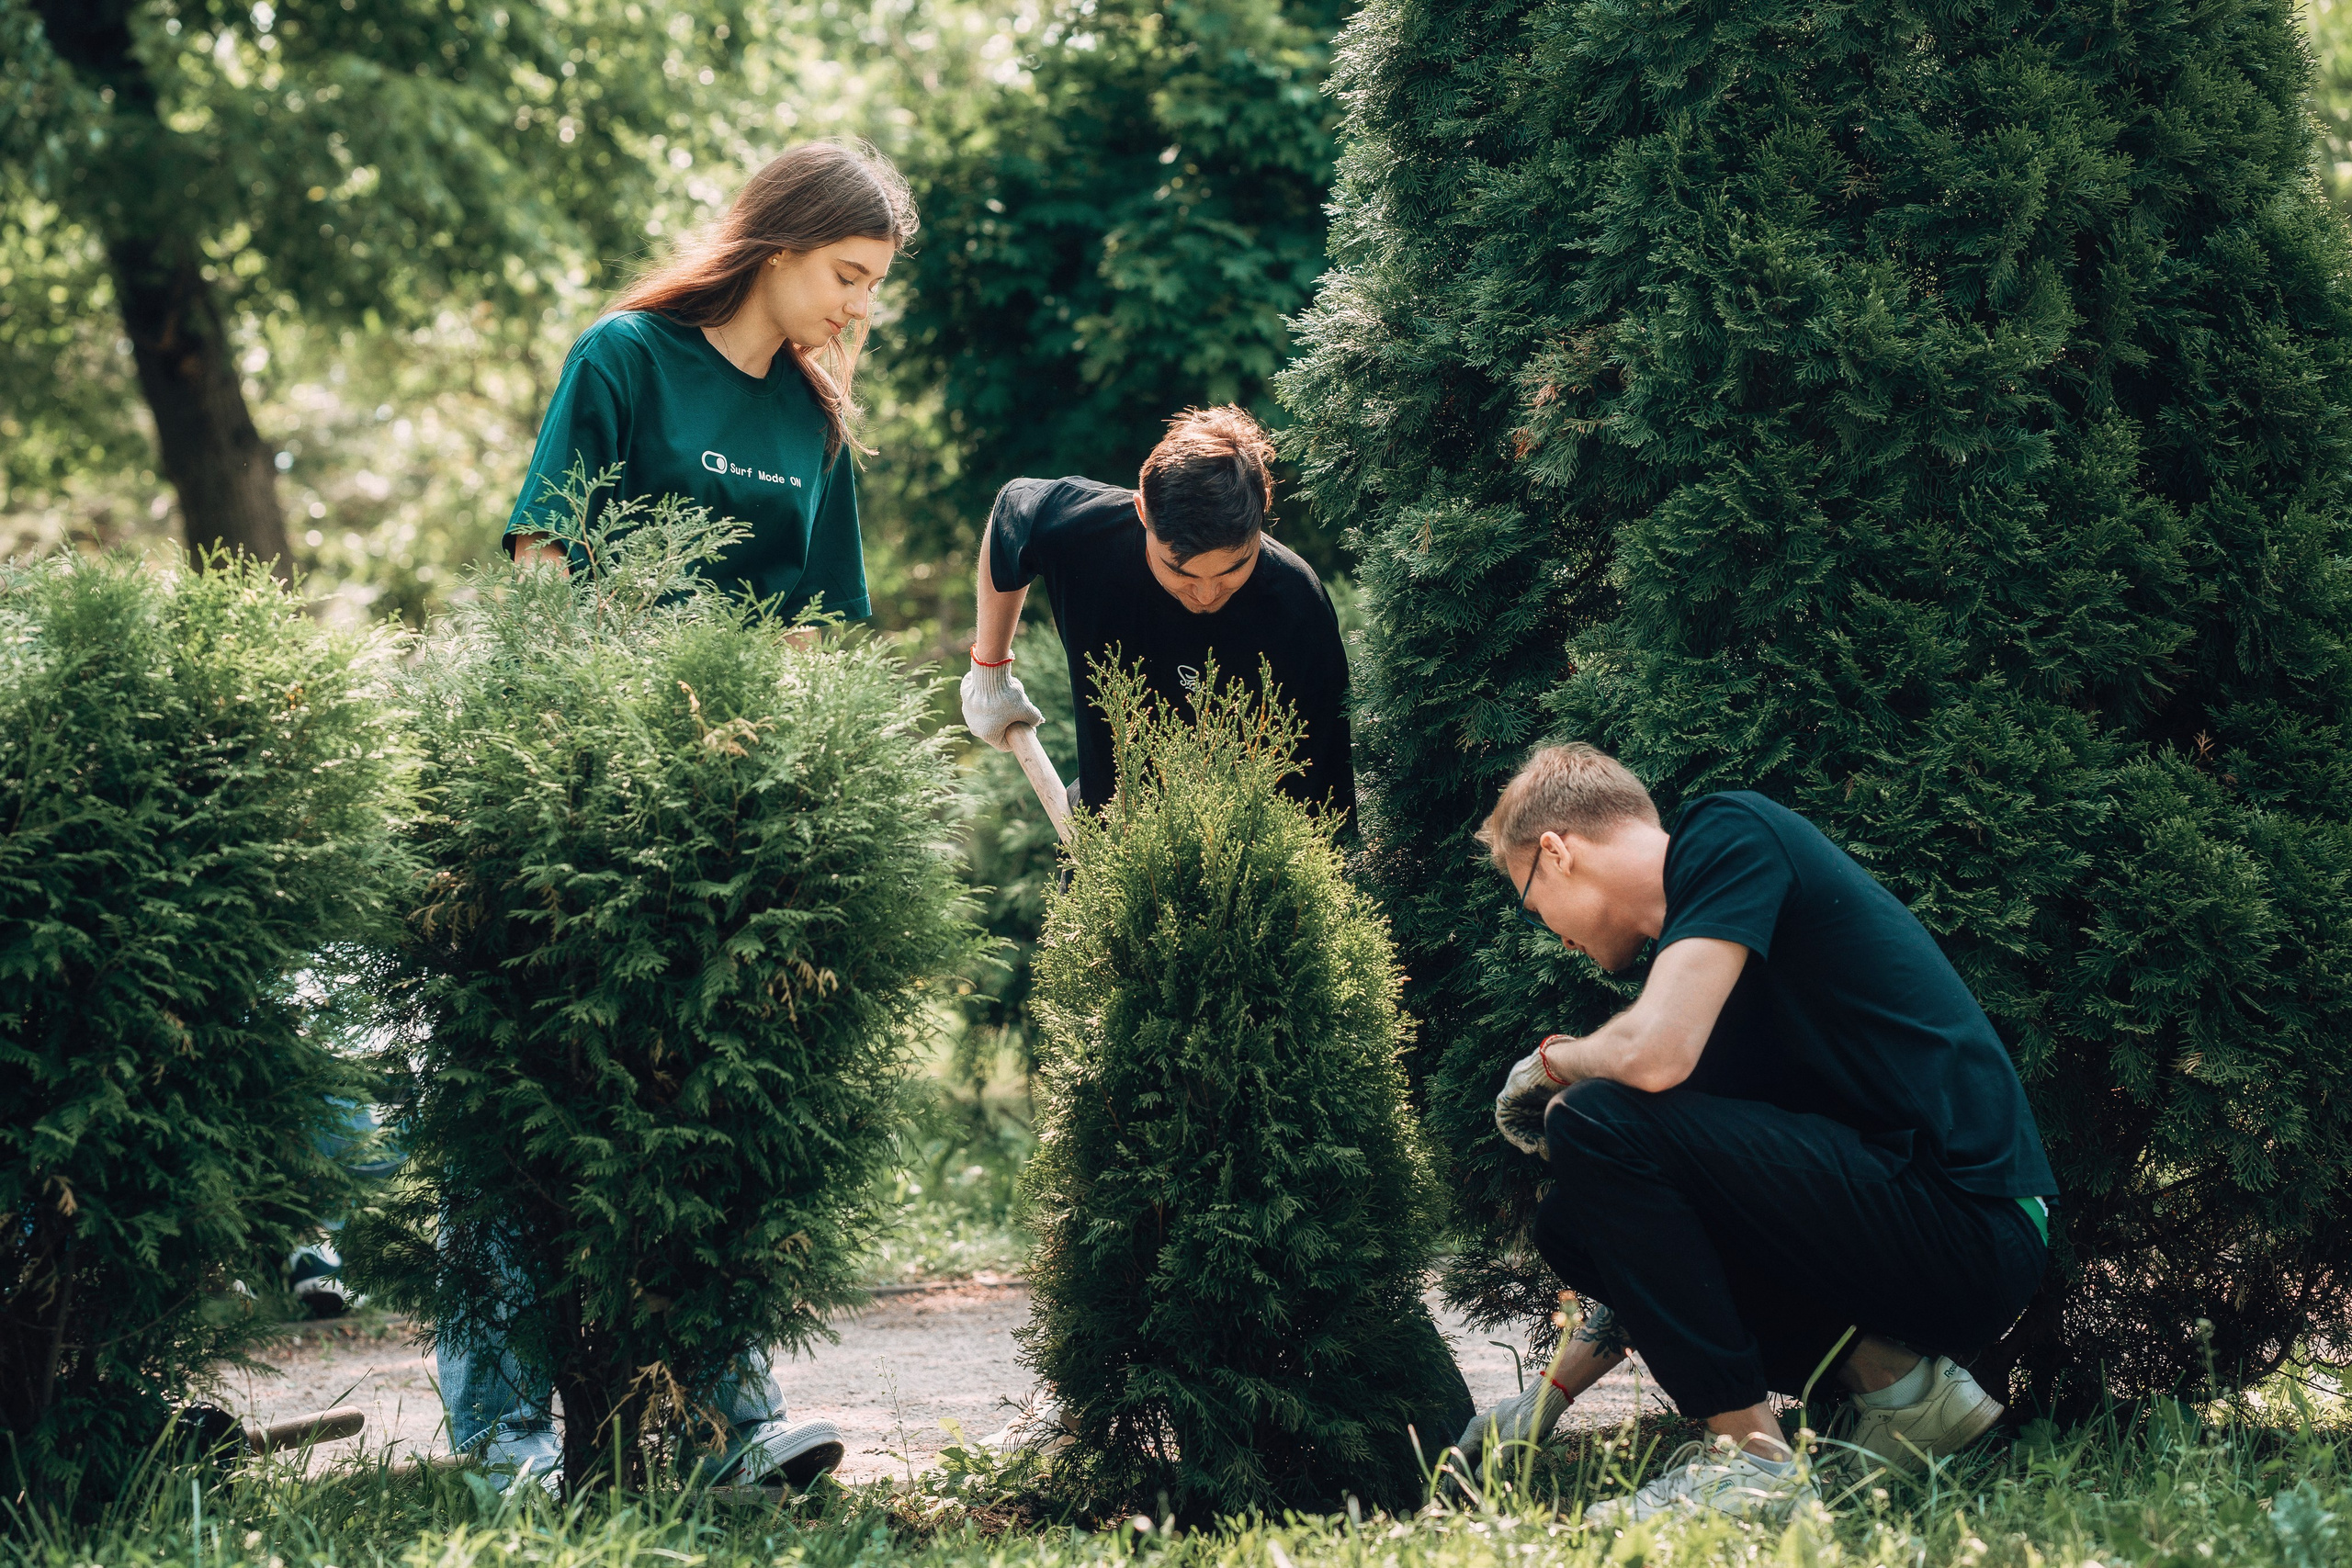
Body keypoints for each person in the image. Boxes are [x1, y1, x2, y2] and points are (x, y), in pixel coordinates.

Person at [457, 139, 918, 1495]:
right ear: (777, 248)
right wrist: (574, 746)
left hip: (731, 816)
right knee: (521, 1119)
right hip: (578, 787)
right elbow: (544, 563)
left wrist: (795, 791)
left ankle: (730, 1423)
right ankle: (504, 1441)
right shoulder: (626, 359)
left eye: (875, 284)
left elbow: (813, 639)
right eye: (847, 275)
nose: (860, 307)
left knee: (709, 1116)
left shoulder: (815, 425)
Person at [1453, 744, 2055, 1525]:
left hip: (1976, 1219)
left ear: (1558, 853)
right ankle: (1904, 1392)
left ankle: (1755, 1466)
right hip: (1914, 1233)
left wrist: (1554, 1062)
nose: (1555, 936)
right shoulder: (1709, 966)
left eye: (1534, 905)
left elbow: (1651, 1055)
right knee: (1571, 1224)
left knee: (1591, 1116)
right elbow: (1664, 1242)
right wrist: (1548, 1396)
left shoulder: (1729, 832)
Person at [957, 407, 1354, 828]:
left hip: (1244, 848)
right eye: (1182, 573)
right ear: (1143, 513)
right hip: (1105, 832)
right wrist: (990, 673)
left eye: (1232, 572)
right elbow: (1012, 513)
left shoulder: (1300, 612)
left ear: (1262, 518)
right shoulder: (1084, 531)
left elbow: (1324, 809)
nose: (1206, 594)